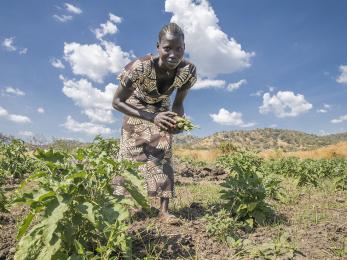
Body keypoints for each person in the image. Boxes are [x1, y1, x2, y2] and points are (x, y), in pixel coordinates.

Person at [112, 22, 197, 222]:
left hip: (161, 107)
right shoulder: (139, 67)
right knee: (128, 155)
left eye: (179, 49)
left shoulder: (188, 72)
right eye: (167, 48)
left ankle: (163, 211)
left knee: (164, 150)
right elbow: (117, 102)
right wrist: (151, 117)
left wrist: (178, 122)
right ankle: (118, 208)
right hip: (135, 106)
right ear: (158, 46)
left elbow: (178, 104)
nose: (173, 54)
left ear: (184, 48)